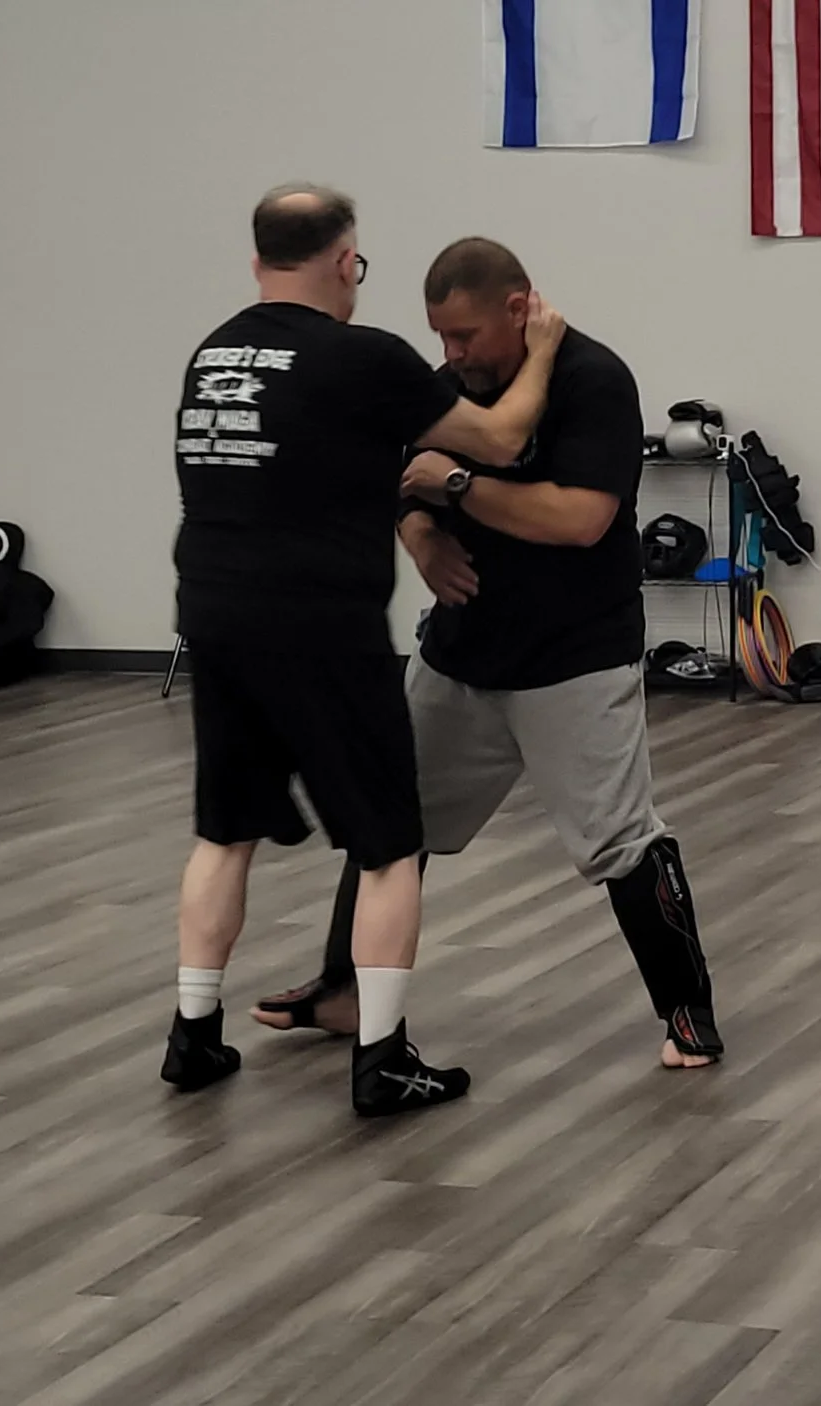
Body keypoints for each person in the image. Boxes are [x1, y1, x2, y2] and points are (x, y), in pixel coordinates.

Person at [251, 237, 724, 1070]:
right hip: (461, 657)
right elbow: (399, 486)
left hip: (576, 660)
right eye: (440, 337)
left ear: (518, 308)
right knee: (389, 826)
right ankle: (345, 992)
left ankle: (688, 1012)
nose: (453, 354)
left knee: (621, 840)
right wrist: (424, 539)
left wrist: (457, 488)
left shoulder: (593, 381)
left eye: (465, 336)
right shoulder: (445, 391)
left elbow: (579, 520)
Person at [164, 186, 565, 1116]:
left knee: (225, 830)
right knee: (391, 845)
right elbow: (501, 439)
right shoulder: (363, 358)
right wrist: (541, 352)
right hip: (320, 626)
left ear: (258, 257)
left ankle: (192, 1035)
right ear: (346, 262)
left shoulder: (214, 354)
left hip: (213, 614)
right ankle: (382, 1059)